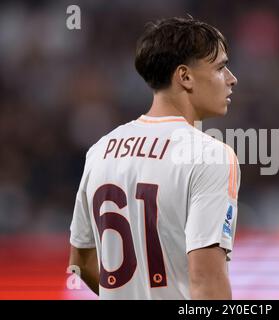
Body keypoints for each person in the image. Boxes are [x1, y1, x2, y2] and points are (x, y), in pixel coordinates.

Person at [68, 17, 240, 299]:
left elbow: (81, 260)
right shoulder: (210, 156)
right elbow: (207, 282)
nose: (232, 78)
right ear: (184, 76)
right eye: (220, 67)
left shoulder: (100, 150)